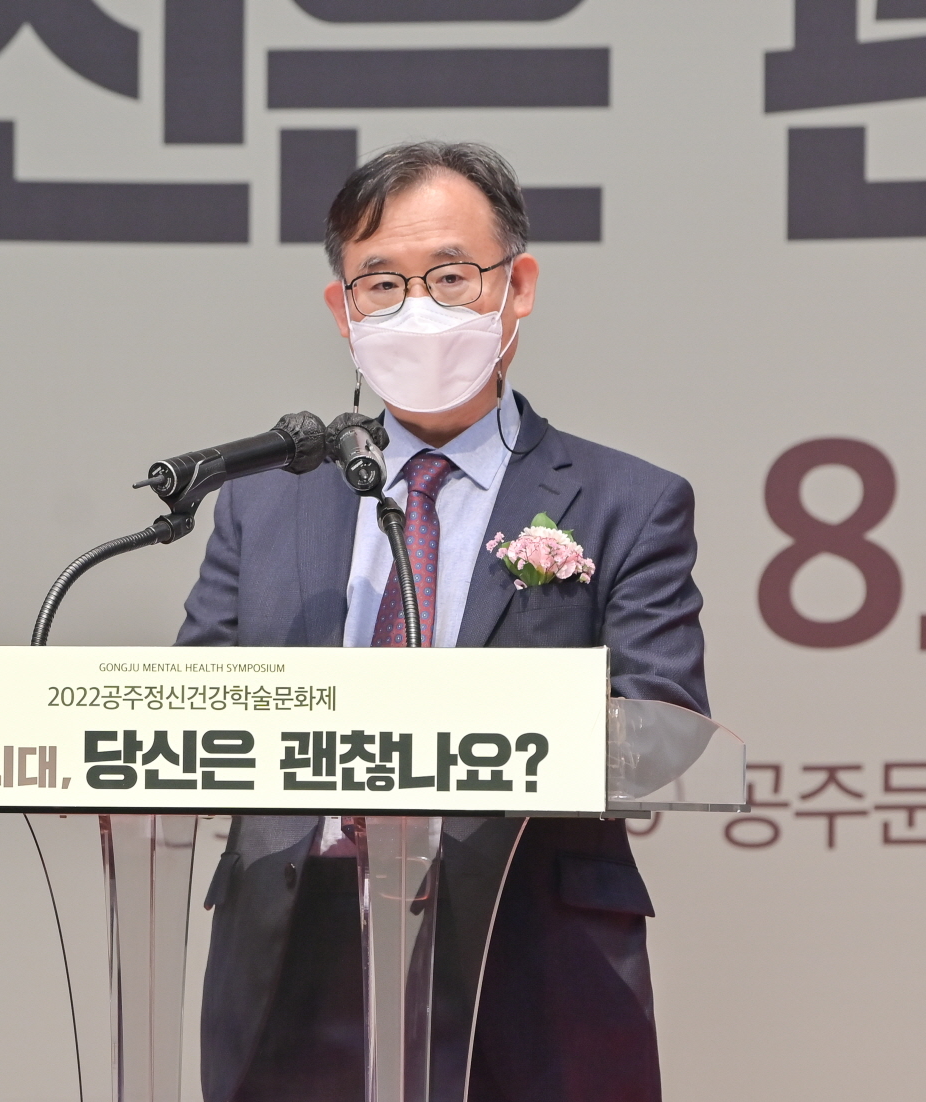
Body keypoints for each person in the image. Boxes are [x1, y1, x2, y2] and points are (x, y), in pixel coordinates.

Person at [176, 141, 707, 1102]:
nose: (416, 308)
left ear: (517, 287)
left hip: (531, 956)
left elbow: (659, 726)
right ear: (342, 309)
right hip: (292, 953)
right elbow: (191, 714)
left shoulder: (627, 501)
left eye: (452, 277)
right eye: (381, 284)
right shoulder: (262, 503)